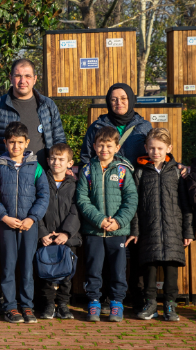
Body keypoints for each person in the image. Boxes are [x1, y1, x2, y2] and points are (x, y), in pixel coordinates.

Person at [127, 128, 192, 322]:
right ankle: (151, 303)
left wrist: (187, 231)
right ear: (146, 148)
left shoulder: (177, 172)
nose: (156, 152)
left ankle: (170, 306)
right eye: (152, 148)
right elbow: (134, 204)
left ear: (168, 148)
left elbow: (185, 204)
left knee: (171, 270)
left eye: (160, 148)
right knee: (150, 268)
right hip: (149, 230)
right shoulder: (139, 172)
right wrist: (135, 230)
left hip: (173, 229)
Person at [0, 122, 50, 324]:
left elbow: (43, 195)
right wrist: (4, 217)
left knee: (27, 267)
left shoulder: (36, 166)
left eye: (20, 142)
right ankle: (10, 307)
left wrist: (32, 218)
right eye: (12, 142)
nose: (16, 146)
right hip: (6, 225)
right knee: (8, 266)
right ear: (5, 142)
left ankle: (27, 306)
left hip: (28, 226)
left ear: (27, 143)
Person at [76, 127, 138, 323]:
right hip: (94, 231)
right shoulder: (87, 170)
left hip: (117, 231)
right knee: (93, 268)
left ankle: (117, 303)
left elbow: (131, 199)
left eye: (109, 145)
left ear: (117, 147)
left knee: (118, 269)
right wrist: (99, 220)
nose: (104, 149)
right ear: (94, 146)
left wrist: (118, 221)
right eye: (100, 145)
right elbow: (82, 199)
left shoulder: (122, 170)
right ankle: (94, 302)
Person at [0, 59, 66, 168]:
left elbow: (59, 140)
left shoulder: (48, 105)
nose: (22, 81)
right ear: (10, 78)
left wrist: (62, 166)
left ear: (35, 79)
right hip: (9, 176)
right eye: (18, 76)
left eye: (28, 76)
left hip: (44, 176)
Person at [35, 143, 81, 320]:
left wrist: (66, 233)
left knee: (66, 275)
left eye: (61, 159)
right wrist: (42, 232)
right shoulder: (41, 181)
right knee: (46, 273)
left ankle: (62, 305)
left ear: (70, 163)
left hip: (67, 238)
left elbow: (76, 209)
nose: (56, 162)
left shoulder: (74, 184)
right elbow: (36, 207)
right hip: (46, 237)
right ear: (47, 160)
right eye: (53, 159)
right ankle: (48, 305)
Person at [80, 83, 152, 167]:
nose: (119, 102)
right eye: (114, 99)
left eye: (123, 98)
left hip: (136, 179)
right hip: (104, 178)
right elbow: (86, 158)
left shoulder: (144, 126)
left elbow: (152, 157)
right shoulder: (97, 127)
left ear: (131, 99)